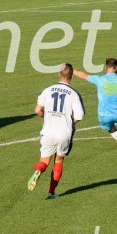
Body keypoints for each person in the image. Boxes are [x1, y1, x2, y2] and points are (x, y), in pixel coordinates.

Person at [28, 63, 85, 200]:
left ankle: (38, 171)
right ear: (71, 76)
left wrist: (45, 116)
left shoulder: (47, 90)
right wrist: (70, 122)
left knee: (44, 161)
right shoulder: (74, 94)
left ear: (59, 74)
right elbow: (79, 116)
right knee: (58, 160)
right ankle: (51, 192)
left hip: (48, 132)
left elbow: (37, 110)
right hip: (64, 133)